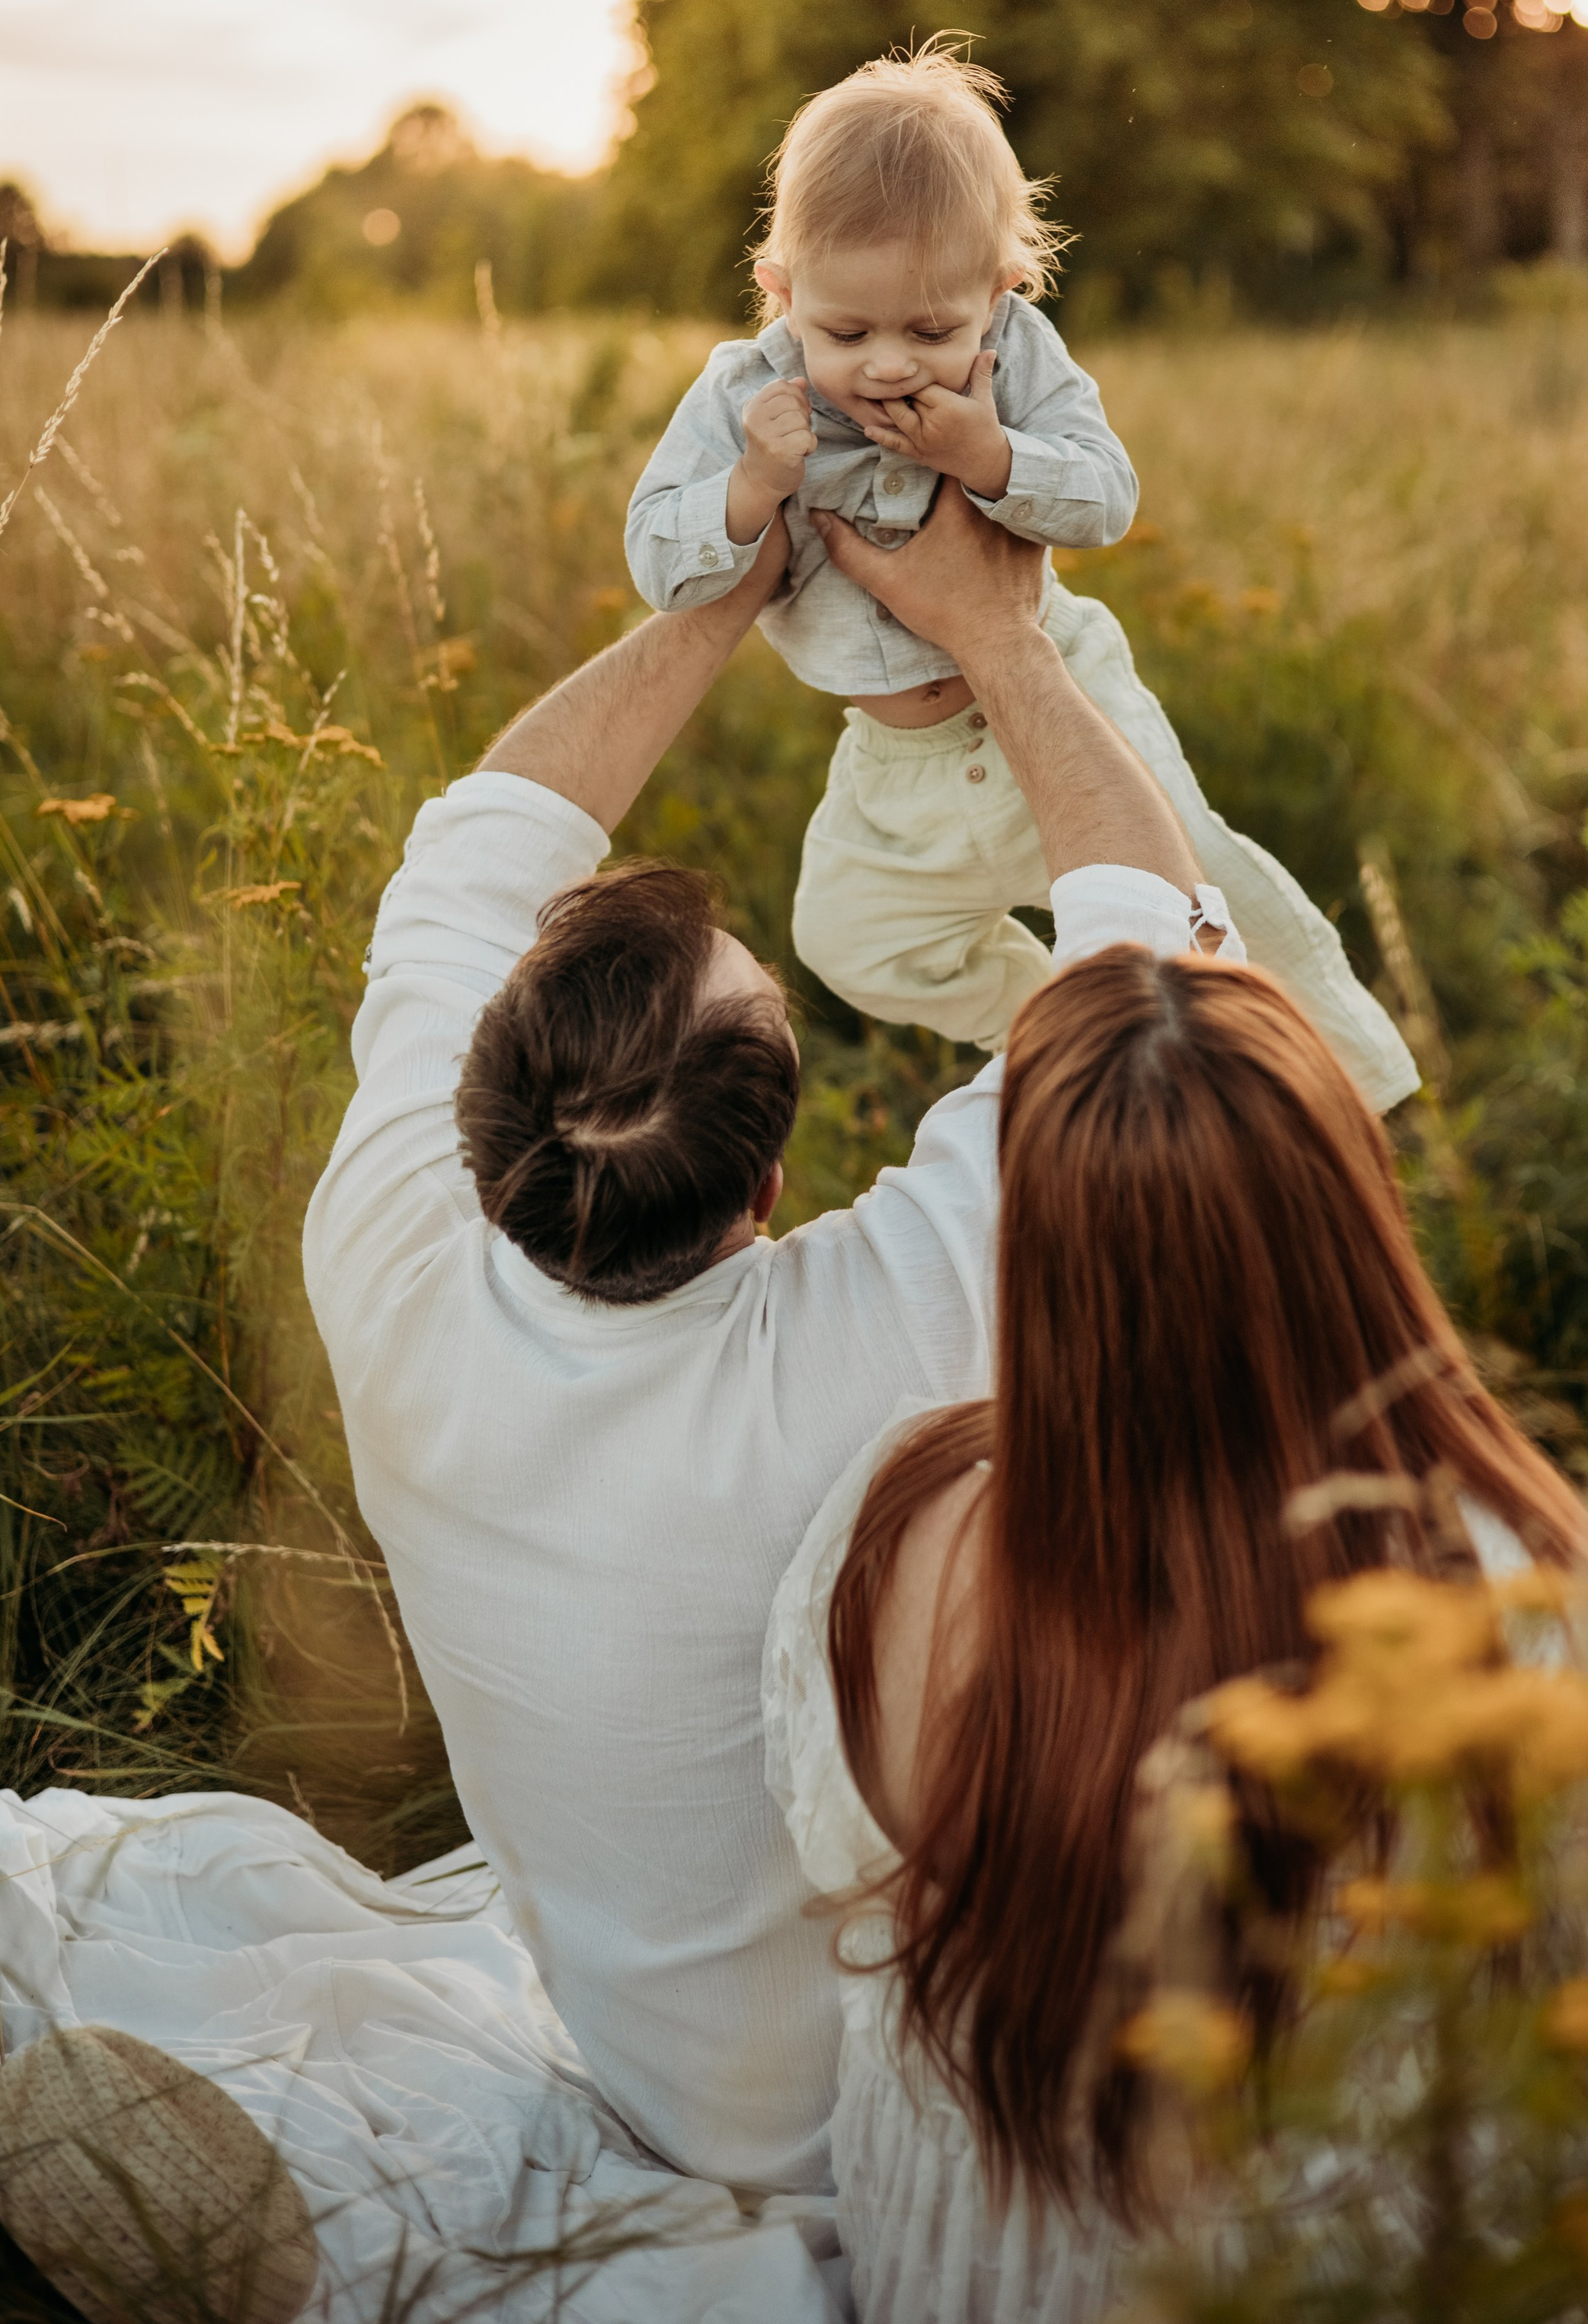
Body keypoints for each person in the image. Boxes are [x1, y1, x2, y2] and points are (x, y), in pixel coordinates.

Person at [297, 475, 1272, 2218]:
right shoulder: (877, 1334)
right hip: (950, 2109)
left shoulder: (381, 1251)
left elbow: (474, 842)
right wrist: (991, 631)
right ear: (767, 1183)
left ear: (478, 1092)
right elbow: (1177, 975)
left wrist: (711, 599)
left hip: (656, 2078)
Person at [761, 928, 1588, 2323]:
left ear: (1034, 1246)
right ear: (1351, 1223)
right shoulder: (1488, 1587)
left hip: (968, 2259)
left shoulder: (889, 1516)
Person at [625, 40, 1416, 1109]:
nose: (891, 362)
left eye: (934, 328)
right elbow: (657, 557)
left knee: (1199, 898)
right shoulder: (742, 393)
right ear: (780, 293)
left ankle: (1338, 1085)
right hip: (897, 763)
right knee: (844, 937)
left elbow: (1107, 495)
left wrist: (986, 457)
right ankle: (1067, 1032)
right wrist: (750, 486)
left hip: (1062, 699)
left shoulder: (1022, 356)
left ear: (999, 295)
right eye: (845, 329)